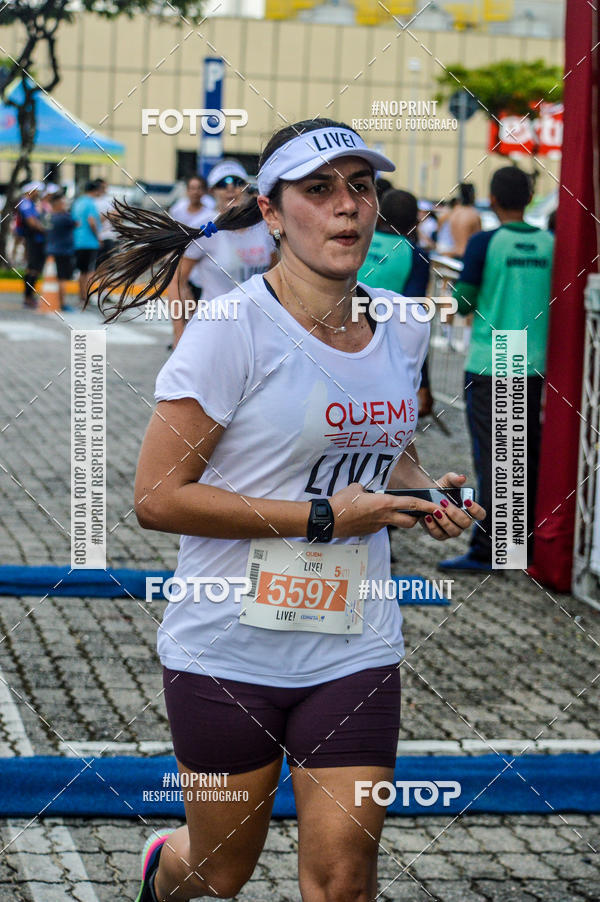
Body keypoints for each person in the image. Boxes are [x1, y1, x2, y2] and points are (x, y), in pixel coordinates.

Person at [89, 117, 485, 902]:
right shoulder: (229, 331)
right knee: (218, 871)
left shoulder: (401, 329)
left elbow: (385, 452)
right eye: (319, 189)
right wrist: (320, 518)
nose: (347, 207)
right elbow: (157, 498)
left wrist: (420, 493)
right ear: (271, 213)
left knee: (343, 879)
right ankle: (161, 868)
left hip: (354, 645)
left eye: (361, 188)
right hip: (227, 649)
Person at [439, 165, 554, 573]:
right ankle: (523, 547)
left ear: (495, 199)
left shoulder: (486, 243)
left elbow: (464, 305)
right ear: (527, 198)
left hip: (493, 360)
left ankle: (490, 552)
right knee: (525, 456)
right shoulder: (551, 243)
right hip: (535, 361)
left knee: (494, 459)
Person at [166, 160, 277, 347]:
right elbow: (175, 281)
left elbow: (276, 278)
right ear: (212, 191)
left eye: (237, 182)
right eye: (222, 184)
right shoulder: (207, 227)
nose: (230, 188)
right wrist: (179, 332)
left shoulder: (263, 226)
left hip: (256, 329)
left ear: (246, 188)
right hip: (213, 328)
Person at [357, 188, 433, 416]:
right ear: (414, 222)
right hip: (385, 355)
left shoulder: (357, 240)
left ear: (379, 214)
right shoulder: (414, 255)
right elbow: (413, 319)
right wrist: (424, 382)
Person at [16, 182, 46, 309]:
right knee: (33, 269)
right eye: (36, 191)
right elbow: (32, 223)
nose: (38, 193)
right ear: (30, 191)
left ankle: (29, 297)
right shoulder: (26, 203)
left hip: (35, 240)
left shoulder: (30, 203)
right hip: (33, 240)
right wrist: (47, 230)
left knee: (34, 269)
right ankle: (28, 298)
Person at [45, 191, 77, 311]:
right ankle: (62, 303)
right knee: (62, 278)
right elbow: (77, 223)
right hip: (64, 252)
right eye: (64, 202)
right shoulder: (64, 217)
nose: (65, 204)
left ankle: (58, 302)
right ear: (58, 203)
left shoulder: (50, 216)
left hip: (52, 250)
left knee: (59, 277)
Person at [72, 180, 102, 304]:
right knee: (89, 271)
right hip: (89, 241)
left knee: (82, 270)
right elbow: (91, 221)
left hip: (78, 240)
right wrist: (97, 236)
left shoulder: (78, 202)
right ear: (95, 190)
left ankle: (82, 296)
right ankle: (86, 296)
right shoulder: (90, 203)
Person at [447, 182, 481, 259]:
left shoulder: (454, 213)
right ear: (472, 195)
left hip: (454, 254)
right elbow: (479, 240)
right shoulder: (473, 214)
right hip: (467, 255)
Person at [94, 179, 119, 266]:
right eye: (104, 187)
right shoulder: (92, 202)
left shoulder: (108, 201)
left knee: (106, 265)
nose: (105, 189)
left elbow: (117, 217)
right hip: (99, 237)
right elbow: (94, 221)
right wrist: (108, 215)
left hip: (108, 236)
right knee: (97, 266)